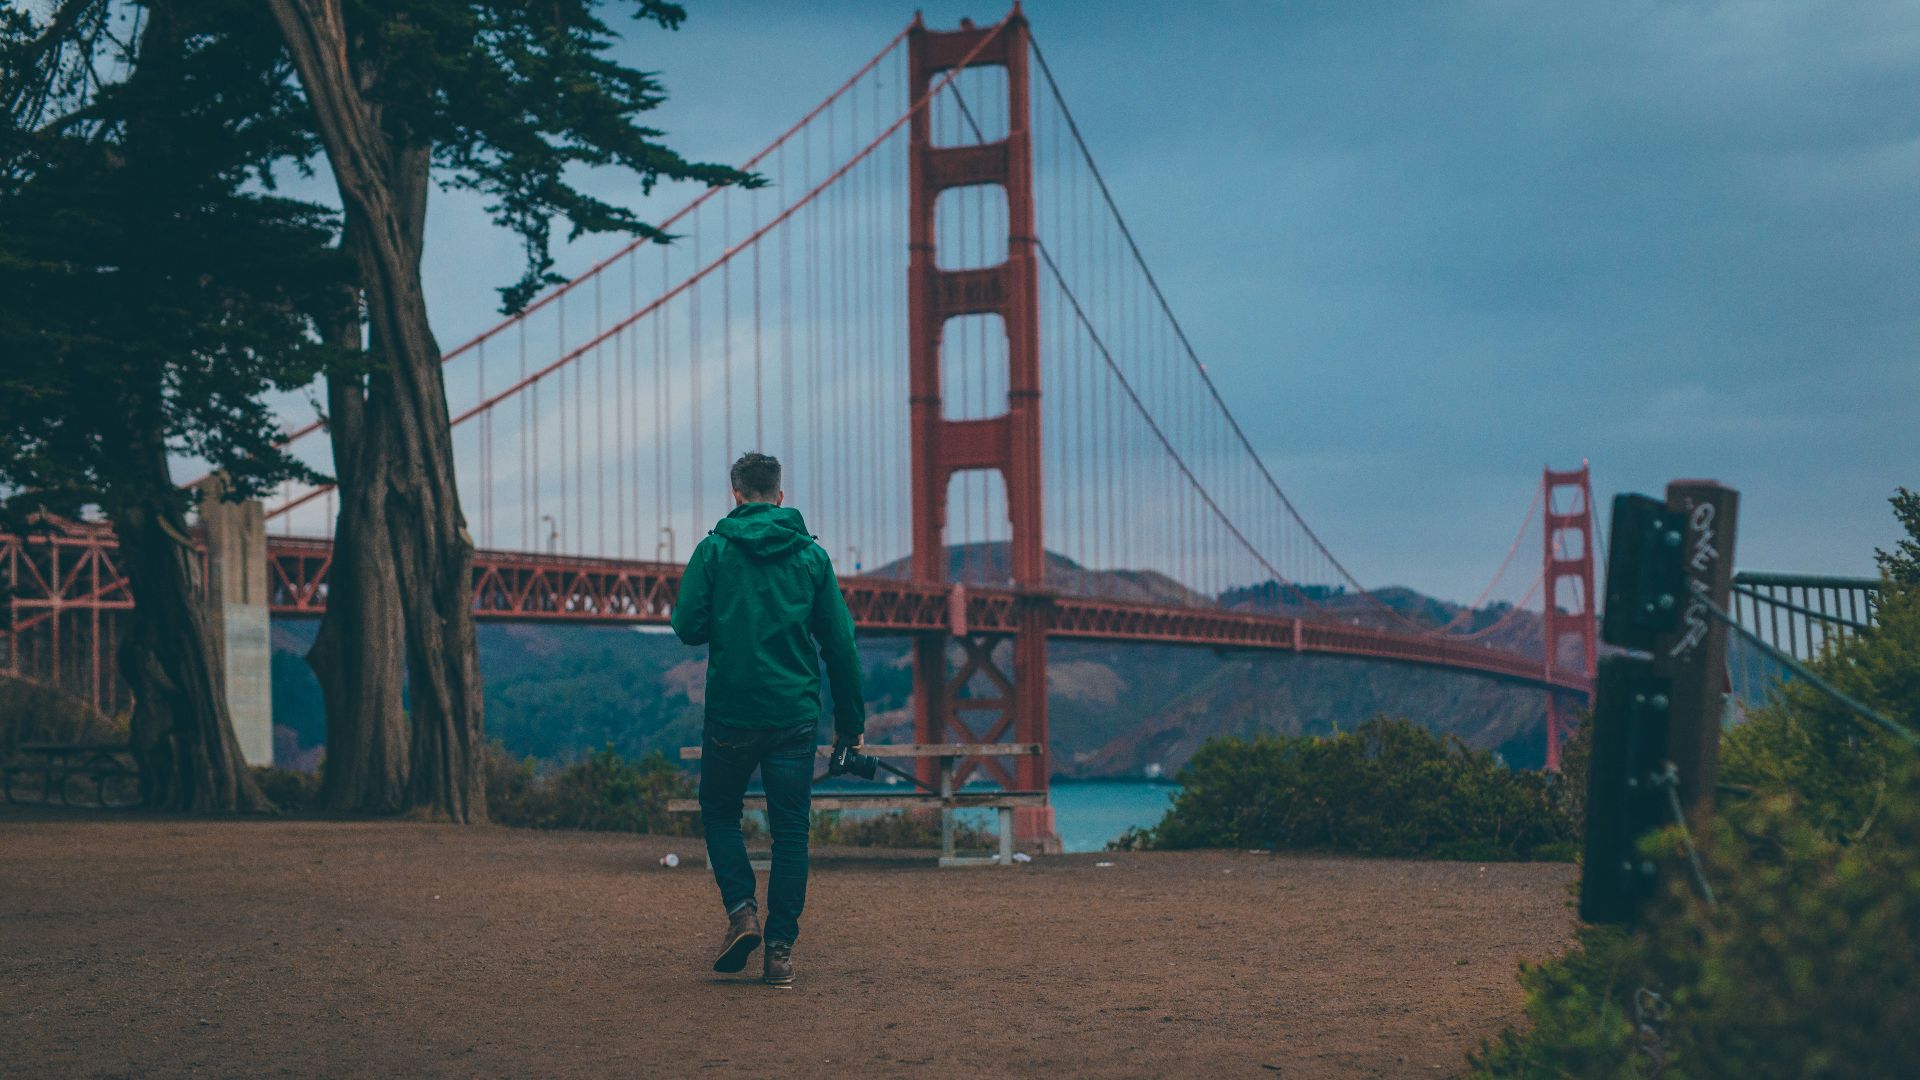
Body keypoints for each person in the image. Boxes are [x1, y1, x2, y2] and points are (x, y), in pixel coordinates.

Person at [670, 451, 865, 987]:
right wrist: (850, 725)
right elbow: (841, 646)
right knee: (791, 833)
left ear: (735, 495)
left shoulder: (713, 551)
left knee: (719, 813)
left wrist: (728, 614)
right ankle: (779, 953)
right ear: (780, 496)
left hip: (731, 714)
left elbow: (687, 626)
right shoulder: (811, 557)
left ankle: (742, 913)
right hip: (793, 717)